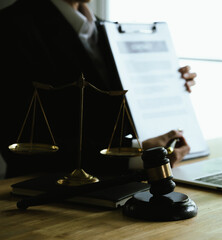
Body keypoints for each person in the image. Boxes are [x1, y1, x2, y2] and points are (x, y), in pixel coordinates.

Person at [0, 0, 197, 178]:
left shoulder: (105, 29)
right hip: (45, 193)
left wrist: (167, 84)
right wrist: (137, 155)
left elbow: (109, 117)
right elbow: (22, 143)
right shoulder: (10, 27)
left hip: (123, 182)